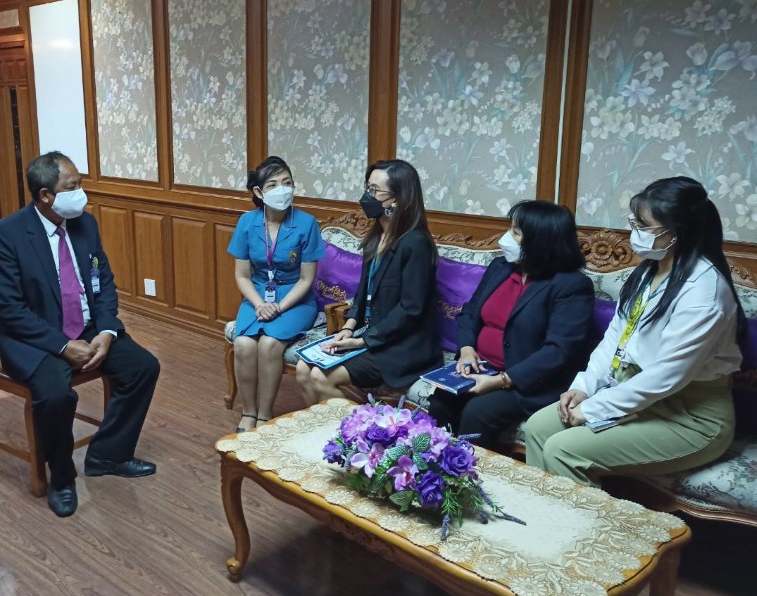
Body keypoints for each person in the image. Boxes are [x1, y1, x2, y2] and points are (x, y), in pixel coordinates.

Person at [526, 177, 746, 486]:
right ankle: (543, 510)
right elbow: (615, 338)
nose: (635, 233)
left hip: (690, 417)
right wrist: (585, 387)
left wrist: (593, 409)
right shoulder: (648, 271)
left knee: (563, 450)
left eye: (644, 226)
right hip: (639, 396)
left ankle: (581, 519)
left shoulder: (704, 292)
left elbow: (666, 376)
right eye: (635, 223)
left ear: (677, 232)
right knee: (537, 427)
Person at [0, 152, 160, 518]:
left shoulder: (84, 224)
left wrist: (107, 329)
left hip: (89, 327)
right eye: (73, 186)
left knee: (143, 367)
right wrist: (62, 346)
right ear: (46, 195)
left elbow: (103, 281)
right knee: (55, 396)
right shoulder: (6, 235)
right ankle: (62, 478)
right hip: (35, 338)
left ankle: (107, 455)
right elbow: (9, 309)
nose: (82, 193)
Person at [425, 201, 595, 448]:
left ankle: (470, 469)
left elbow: (558, 351)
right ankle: (433, 464)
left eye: (516, 232)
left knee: (478, 411)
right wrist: (467, 349)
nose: (505, 238)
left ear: (541, 240)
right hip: (483, 367)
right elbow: (470, 312)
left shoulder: (571, 286)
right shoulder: (500, 268)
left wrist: (503, 380)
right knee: (442, 401)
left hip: (530, 382)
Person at [296, 159, 440, 403]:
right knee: (302, 369)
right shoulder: (377, 235)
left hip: (403, 346)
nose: (367, 196)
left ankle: (363, 427)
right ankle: (324, 426)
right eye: (367, 188)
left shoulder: (416, 244)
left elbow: (411, 309)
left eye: (375, 191)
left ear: (397, 199)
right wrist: (348, 327)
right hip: (374, 334)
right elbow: (363, 291)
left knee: (321, 377)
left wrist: (361, 341)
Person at [228, 156, 325, 432]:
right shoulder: (247, 223)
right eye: (273, 184)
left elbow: (307, 279)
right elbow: (242, 275)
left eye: (287, 182)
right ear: (259, 192)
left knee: (270, 344)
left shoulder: (306, 223)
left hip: (296, 299)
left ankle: (264, 414)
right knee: (243, 344)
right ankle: (248, 411)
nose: (282, 189)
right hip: (257, 295)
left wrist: (278, 307)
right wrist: (260, 304)